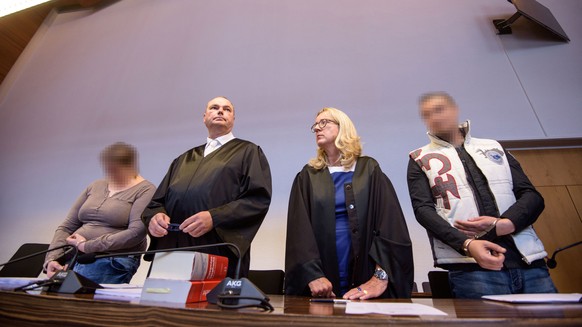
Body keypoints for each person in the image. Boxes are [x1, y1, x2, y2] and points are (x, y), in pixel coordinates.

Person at [407, 92, 557, 299]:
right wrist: (467, 244)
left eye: (439, 109)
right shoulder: (419, 158)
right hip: (471, 269)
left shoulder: (494, 147)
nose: (435, 117)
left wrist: (505, 223)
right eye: (427, 114)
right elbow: (423, 211)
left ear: (455, 109)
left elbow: (531, 196)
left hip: (529, 263)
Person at [285, 107, 414, 300]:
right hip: (323, 269)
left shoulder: (369, 170)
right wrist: (312, 274)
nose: (317, 129)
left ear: (343, 127)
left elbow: (391, 225)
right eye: (315, 126)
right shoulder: (308, 176)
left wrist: (380, 276)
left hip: (365, 268)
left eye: (324, 122)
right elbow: (298, 232)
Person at [142, 96, 272, 278]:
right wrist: (154, 218)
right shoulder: (183, 159)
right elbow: (156, 203)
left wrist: (214, 217)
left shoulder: (248, 152)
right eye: (214, 107)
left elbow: (257, 200)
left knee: (209, 304)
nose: (220, 111)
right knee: (162, 303)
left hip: (215, 248)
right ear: (204, 117)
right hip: (172, 249)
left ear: (233, 119)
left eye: (227, 109)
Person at [44, 142, 156, 284]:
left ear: (129, 166)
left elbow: (135, 234)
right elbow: (67, 226)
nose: (110, 174)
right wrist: (52, 258)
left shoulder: (146, 190)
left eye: (115, 169)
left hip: (111, 260)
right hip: (73, 257)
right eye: (108, 169)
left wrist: (86, 246)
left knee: (79, 303)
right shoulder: (96, 185)